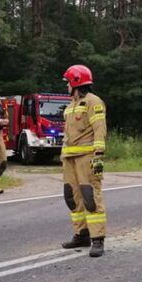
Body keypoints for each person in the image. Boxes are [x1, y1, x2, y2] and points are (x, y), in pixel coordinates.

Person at [59, 65, 108, 258]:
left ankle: (98, 239)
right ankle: (82, 234)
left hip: (87, 157)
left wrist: (98, 153)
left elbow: (99, 127)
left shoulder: (93, 102)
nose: (66, 86)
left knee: (90, 198)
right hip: (69, 158)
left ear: (76, 82)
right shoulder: (71, 104)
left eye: (68, 83)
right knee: (72, 197)